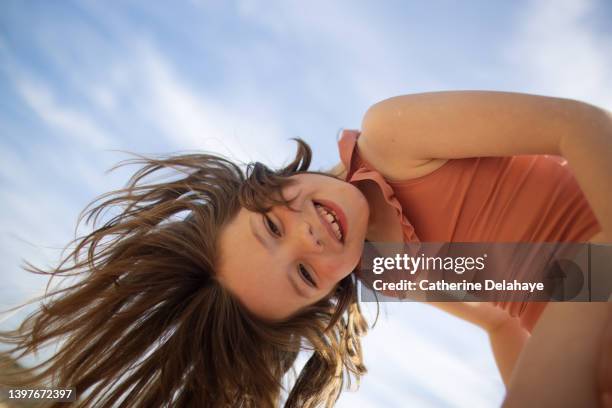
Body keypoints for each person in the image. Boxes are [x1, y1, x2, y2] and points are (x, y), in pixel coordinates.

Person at [0, 90, 610, 407]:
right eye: (302, 275)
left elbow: (579, 125)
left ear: (256, 187)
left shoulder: (394, 137)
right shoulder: (389, 273)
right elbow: (503, 322)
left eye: (270, 226)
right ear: (323, 298)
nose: (309, 238)